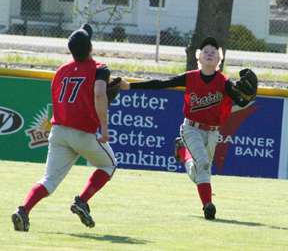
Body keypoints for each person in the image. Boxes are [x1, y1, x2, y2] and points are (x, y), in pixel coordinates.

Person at [119, 36, 257, 220]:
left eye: (213, 52)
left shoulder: (224, 82)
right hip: (191, 128)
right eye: (206, 52)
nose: (209, 54)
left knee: (199, 172)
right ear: (199, 58)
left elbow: (241, 100)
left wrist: (251, 94)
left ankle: (182, 152)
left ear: (219, 59)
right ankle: (208, 205)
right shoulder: (191, 77)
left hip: (213, 133)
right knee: (204, 165)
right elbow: (162, 84)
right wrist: (129, 86)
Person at [12, 24, 117, 232]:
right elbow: (97, 94)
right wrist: (104, 125)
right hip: (82, 132)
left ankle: (23, 210)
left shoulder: (61, 71)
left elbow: (74, 99)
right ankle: (82, 201)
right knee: (109, 165)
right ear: (90, 48)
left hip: (59, 131)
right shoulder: (99, 68)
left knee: (49, 180)